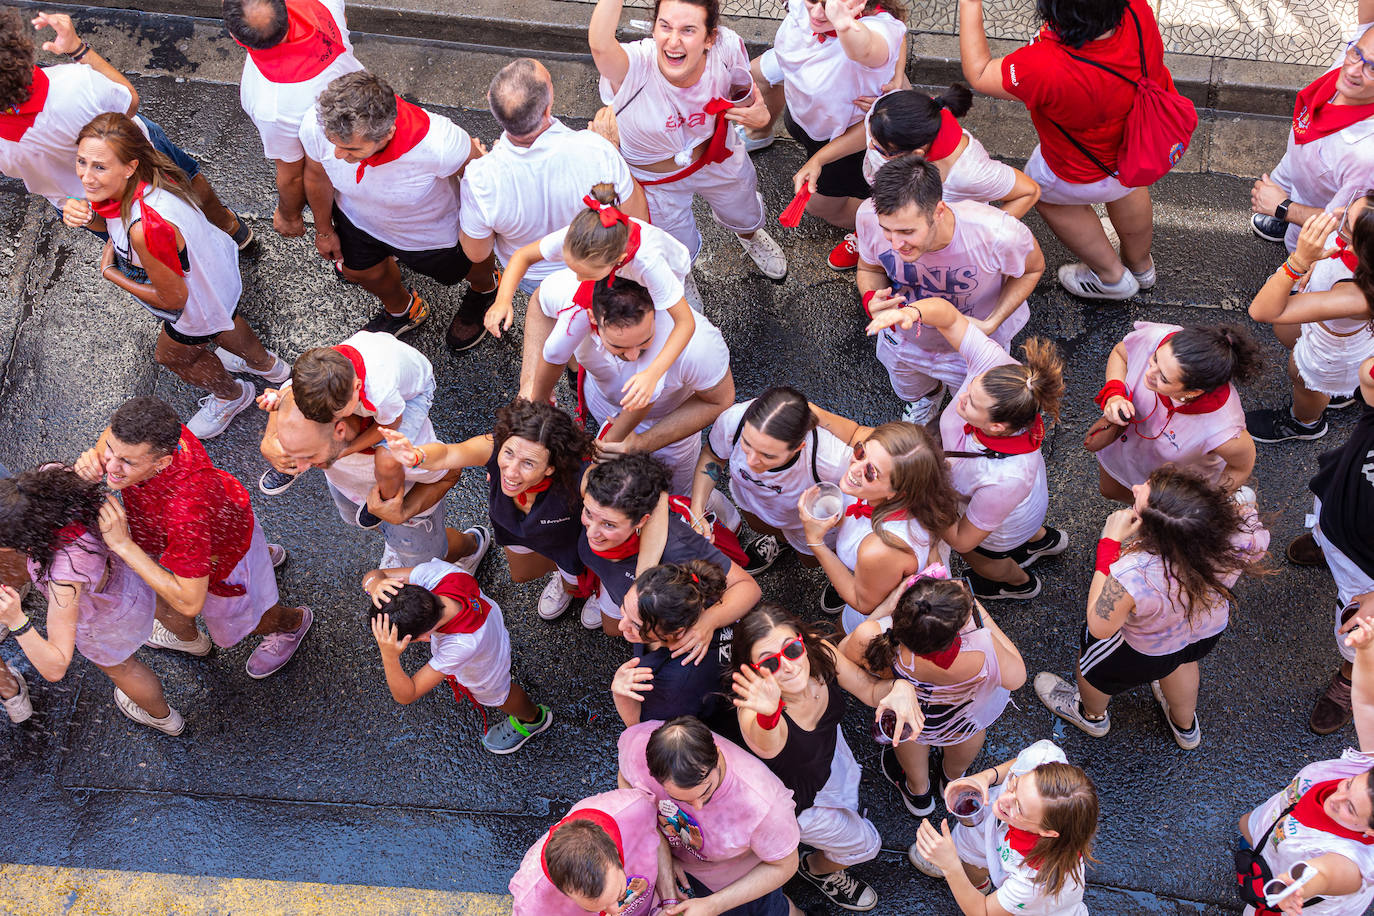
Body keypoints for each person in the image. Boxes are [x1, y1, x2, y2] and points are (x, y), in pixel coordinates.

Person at [62, 113, 286, 440]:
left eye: (99, 166)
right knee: (226, 319)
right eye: (81, 161)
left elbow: (173, 298)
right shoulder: (155, 171)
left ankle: (232, 396)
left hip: (192, 303)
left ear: (129, 167)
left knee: (170, 356)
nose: (85, 176)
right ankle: (269, 366)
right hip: (213, 276)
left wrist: (111, 274)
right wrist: (88, 217)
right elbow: (110, 225)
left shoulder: (143, 229)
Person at [74, 397, 312, 683]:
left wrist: (123, 545)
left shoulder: (185, 513)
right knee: (250, 554)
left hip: (220, 563)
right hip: (228, 523)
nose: (111, 467)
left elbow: (189, 604)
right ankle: (259, 561)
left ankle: (293, 623)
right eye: (111, 451)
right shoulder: (160, 433)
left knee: (246, 620)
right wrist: (96, 461)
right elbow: (110, 438)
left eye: (126, 462)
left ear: (161, 462)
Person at [1034, 467, 1269, 749]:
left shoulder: (1135, 573)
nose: (1134, 487)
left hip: (1140, 650)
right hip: (1202, 632)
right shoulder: (1243, 534)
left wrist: (1109, 545)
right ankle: (1184, 726)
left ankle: (1092, 715)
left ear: (1155, 536)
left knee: (1092, 674)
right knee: (1180, 663)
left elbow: (1099, 626)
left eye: (1139, 502)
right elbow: (1246, 506)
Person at [959, 0, 1175, 300]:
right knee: (1129, 189)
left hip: (1079, 167)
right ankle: (1142, 267)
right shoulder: (1137, 10)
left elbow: (980, 72)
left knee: (1046, 197)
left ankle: (1111, 278)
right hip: (1139, 149)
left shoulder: (1041, 65)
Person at [866, 296, 1067, 599]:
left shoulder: (1006, 479)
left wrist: (924, 495)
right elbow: (947, 316)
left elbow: (962, 541)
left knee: (983, 560)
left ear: (996, 427)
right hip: (1014, 505)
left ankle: (1018, 583)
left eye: (971, 403)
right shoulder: (996, 369)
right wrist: (912, 312)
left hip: (1002, 525)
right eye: (971, 387)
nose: (960, 397)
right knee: (1023, 531)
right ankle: (1042, 541)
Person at [0, 8, 253, 247]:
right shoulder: (73, 82)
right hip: (141, 154)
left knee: (133, 238)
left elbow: (22, 173)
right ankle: (228, 226)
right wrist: (77, 48)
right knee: (186, 179)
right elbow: (129, 101)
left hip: (88, 198)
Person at [460, 59, 645, 385]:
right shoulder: (595, 150)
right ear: (548, 109)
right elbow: (638, 219)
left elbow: (476, 253)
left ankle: (575, 369)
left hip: (536, 280)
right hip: (596, 265)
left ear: (490, 102)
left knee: (563, 321)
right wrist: (613, 147)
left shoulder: (481, 177)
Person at [731, 602, 923, 912]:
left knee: (850, 796)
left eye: (791, 650)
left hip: (829, 755)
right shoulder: (753, 711)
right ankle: (817, 869)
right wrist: (768, 715)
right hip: (796, 802)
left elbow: (869, 690)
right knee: (866, 845)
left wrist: (900, 687)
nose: (789, 666)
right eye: (770, 663)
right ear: (754, 672)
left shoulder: (820, 652)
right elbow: (768, 745)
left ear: (802, 643)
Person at [588, 0, 788, 279]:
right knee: (674, 240)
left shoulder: (726, 48)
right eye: (665, 26)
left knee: (742, 209)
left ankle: (750, 236)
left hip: (716, 156)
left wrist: (759, 116)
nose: (673, 41)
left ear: (710, 37)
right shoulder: (635, 67)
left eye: (688, 30)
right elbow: (600, 45)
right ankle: (683, 275)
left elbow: (744, 96)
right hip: (655, 180)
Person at [300, 69, 498, 349]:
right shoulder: (316, 123)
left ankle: (485, 290)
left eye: (351, 149)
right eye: (333, 143)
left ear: (388, 132)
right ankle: (403, 310)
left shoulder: (439, 143)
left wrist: (479, 238)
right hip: (357, 221)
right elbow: (316, 174)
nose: (337, 155)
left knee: (473, 266)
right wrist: (323, 230)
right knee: (359, 271)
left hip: (431, 235)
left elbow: (483, 184)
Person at [856, 154, 1044, 424]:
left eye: (908, 232)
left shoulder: (998, 234)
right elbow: (869, 268)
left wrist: (992, 322)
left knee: (969, 409)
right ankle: (928, 397)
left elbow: (1032, 269)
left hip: (968, 347)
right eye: (887, 230)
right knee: (913, 389)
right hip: (904, 342)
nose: (896, 244)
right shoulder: (867, 216)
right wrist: (871, 299)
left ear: (939, 211)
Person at [0, 465, 181, 734]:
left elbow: (56, 666)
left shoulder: (64, 574)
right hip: (133, 581)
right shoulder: (56, 479)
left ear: (21, 543)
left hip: (106, 621)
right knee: (164, 609)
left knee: (124, 669)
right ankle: (191, 641)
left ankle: (164, 718)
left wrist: (16, 621)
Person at [380, 399, 595, 623]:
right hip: (513, 530)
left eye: (528, 463)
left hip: (566, 543)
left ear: (550, 468)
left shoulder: (579, 479)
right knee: (521, 574)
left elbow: (620, 497)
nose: (511, 472)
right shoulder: (495, 445)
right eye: (509, 454)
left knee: (574, 583)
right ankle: (563, 578)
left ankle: (598, 590)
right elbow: (447, 454)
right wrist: (417, 456)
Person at [490, 185, 699, 410]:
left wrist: (652, 373)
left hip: (655, 286)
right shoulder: (579, 237)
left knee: (654, 382)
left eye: (584, 273)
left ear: (619, 259)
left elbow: (685, 323)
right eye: (573, 269)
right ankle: (539, 405)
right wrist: (502, 300)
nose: (577, 279)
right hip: (609, 278)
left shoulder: (649, 265)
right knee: (556, 346)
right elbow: (523, 256)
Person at [843, 570, 1024, 819]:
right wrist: (981, 615)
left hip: (911, 717)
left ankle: (919, 794)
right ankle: (951, 782)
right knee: (963, 751)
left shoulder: (875, 637)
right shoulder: (983, 649)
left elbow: (842, 652)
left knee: (911, 743)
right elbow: (1018, 676)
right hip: (962, 721)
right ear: (958, 628)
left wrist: (883, 611)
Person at [535, 276, 734, 497]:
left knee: (676, 495)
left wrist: (643, 442)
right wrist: (529, 385)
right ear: (592, 317)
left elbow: (720, 399)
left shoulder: (699, 345)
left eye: (645, 342)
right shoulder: (569, 294)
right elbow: (539, 304)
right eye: (618, 346)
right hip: (601, 405)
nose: (632, 355)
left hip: (667, 429)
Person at [818, 84, 1042, 271]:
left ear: (916, 155)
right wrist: (817, 161)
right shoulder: (887, 113)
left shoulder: (969, 173)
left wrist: (979, 239)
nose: (869, 146)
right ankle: (872, 238)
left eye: (881, 150)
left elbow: (1029, 191)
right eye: (871, 136)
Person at [1236, 617, 1374, 915]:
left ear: (1370, 834)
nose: (1336, 797)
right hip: (1278, 823)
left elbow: (1326, 872)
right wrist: (1366, 652)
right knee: (1247, 827)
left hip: (1287, 894)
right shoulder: (1368, 769)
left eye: (1351, 808)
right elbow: (1367, 704)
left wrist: (1298, 887)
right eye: (1349, 785)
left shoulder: (1354, 862)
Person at [266, 385, 482, 570]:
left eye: (309, 456)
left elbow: (451, 472)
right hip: (351, 493)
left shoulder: (403, 449)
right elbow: (288, 391)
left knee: (428, 559)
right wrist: (269, 439)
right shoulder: (320, 393)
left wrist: (403, 512)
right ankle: (395, 542)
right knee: (370, 524)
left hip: (410, 512)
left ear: (339, 430)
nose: (300, 467)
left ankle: (472, 546)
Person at [363, 556, 552, 755]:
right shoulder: (435, 575)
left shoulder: (459, 646)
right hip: (490, 624)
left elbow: (407, 694)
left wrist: (389, 656)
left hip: (485, 663)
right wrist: (375, 584)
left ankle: (533, 718)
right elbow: (373, 576)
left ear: (425, 638)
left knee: (500, 695)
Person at [617, 715, 804, 915]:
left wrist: (714, 905)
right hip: (682, 864)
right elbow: (626, 780)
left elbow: (785, 865)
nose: (697, 807)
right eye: (681, 799)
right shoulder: (637, 744)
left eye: (706, 792)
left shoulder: (765, 803)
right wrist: (666, 862)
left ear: (716, 753)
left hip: (736, 880)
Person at [748, 0, 908, 232]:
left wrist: (818, 160)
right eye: (813, 0)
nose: (817, 12)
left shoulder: (873, 32)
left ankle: (888, 228)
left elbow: (870, 44)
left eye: (832, 5)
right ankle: (759, 134)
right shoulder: (807, 8)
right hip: (807, 116)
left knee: (820, 206)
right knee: (756, 72)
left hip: (843, 141)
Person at [261, 333, 435, 535]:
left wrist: (346, 450)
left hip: (414, 396)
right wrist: (274, 410)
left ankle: (384, 499)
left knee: (387, 459)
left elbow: (392, 423)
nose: (328, 422)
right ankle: (292, 461)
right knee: (305, 421)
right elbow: (287, 393)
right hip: (379, 361)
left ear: (357, 388)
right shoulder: (318, 373)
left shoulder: (380, 394)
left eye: (335, 416)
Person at [798, 416, 961, 632]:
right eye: (860, 451)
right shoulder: (906, 486)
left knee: (844, 633)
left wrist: (815, 541)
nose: (855, 468)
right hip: (877, 577)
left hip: (888, 609)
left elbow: (863, 604)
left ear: (897, 492)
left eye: (871, 472)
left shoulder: (880, 548)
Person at [222, 0, 364, 237]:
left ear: (234, 36)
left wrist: (289, 216)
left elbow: (293, 175)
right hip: (364, 106)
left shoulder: (271, 105)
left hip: (340, 164)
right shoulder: (322, 4)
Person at [580, 454, 759, 641]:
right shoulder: (599, 501)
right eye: (588, 514)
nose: (591, 533)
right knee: (613, 628)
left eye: (609, 525)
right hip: (620, 587)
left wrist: (708, 622)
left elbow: (748, 588)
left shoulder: (679, 547)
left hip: (660, 612)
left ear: (641, 521)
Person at [909, 739, 1098, 916]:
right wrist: (986, 777)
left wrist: (950, 865)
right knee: (972, 848)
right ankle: (976, 883)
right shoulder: (1045, 759)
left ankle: (981, 890)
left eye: (1019, 808)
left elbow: (982, 912)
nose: (1002, 799)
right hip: (998, 842)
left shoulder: (1036, 883)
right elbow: (1020, 763)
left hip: (1029, 906)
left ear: (1048, 832)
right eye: (1014, 785)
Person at [1247, 0, 1374, 252]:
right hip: (1299, 156)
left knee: (1298, 252)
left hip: (1316, 212)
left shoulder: (1365, 157)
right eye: (1356, 54)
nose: (1353, 70)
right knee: (1283, 181)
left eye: (1373, 68)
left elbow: (1340, 224)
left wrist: (1283, 208)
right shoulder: (1362, 52)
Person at [1290, 355, 1374, 736]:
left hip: (1367, 572)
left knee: (1355, 631)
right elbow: (1369, 375)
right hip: (1334, 502)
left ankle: (1349, 675)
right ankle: (1323, 547)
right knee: (1324, 530)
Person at [1245, 204, 1374, 443]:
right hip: (1325, 325)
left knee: (1304, 381)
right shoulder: (1360, 250)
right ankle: (1341, 391)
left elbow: (1261, 310)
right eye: (1347, 207)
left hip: (1330, 352)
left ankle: (1304, 422)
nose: (1336, 213)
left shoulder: (1353, 297)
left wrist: (1299, 261)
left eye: (1345, 222)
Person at [690, 386, 852, 575]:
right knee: (759, 526)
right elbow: (714, 457)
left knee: (810, 561)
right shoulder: (734, 420)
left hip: (804, 526)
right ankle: (781, 541)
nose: (750, 462)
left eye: (767, 456)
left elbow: (866, 498)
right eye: (746, 444)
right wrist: (697, 508)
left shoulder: (830, 459)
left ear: (799, 448)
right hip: (752, 502)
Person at [1094, 321, 1260, 501]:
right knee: (1110, 491)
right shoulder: (1157, 339)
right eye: (1155, 359)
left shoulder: (1222, 427)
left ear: (1192, 392)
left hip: (1170, 487)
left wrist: (1208, 502)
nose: (1149, 374)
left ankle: (1238, 500)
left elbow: (1241, 466)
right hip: (1123, 453)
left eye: (1163, 378)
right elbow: (1121, 353)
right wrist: (1114, 395)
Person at [611, 560, 737, 734]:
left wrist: (619, 694)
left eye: (637, 626)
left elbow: (644, 732)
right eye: (625, 607)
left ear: (677, 632)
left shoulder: (674, 686)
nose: (621, 626)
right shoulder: (699, 596)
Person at [509, 788, 672, 916]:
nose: (615, 912)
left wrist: (669, 898)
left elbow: (653, 831)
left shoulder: (634, 808)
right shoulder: (532, 902)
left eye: (621, 894)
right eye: (590, 909)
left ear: (614, 850)